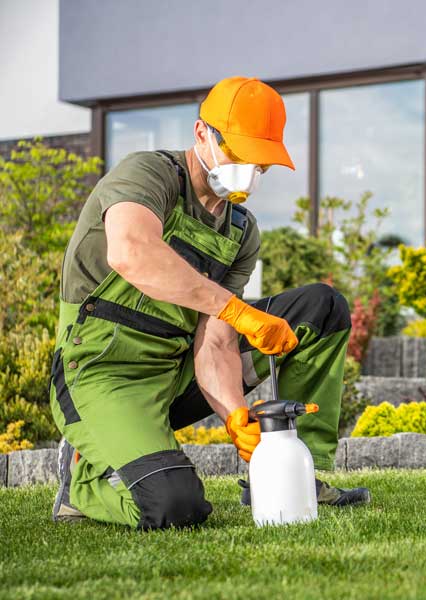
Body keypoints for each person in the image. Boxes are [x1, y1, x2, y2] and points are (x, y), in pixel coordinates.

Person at [49, 76, 369, 529]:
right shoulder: (147, 175)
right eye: (238, 153)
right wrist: (236, 310)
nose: (249, 169)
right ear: (202, 134)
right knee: (176, 508)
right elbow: (131, 252)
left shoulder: (241, 231)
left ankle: (294, 475)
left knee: (322, 310)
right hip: (102, 371)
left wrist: (236, 414)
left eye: (259, 161)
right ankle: (82, 483)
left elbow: (215, 343)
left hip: (176, 371)